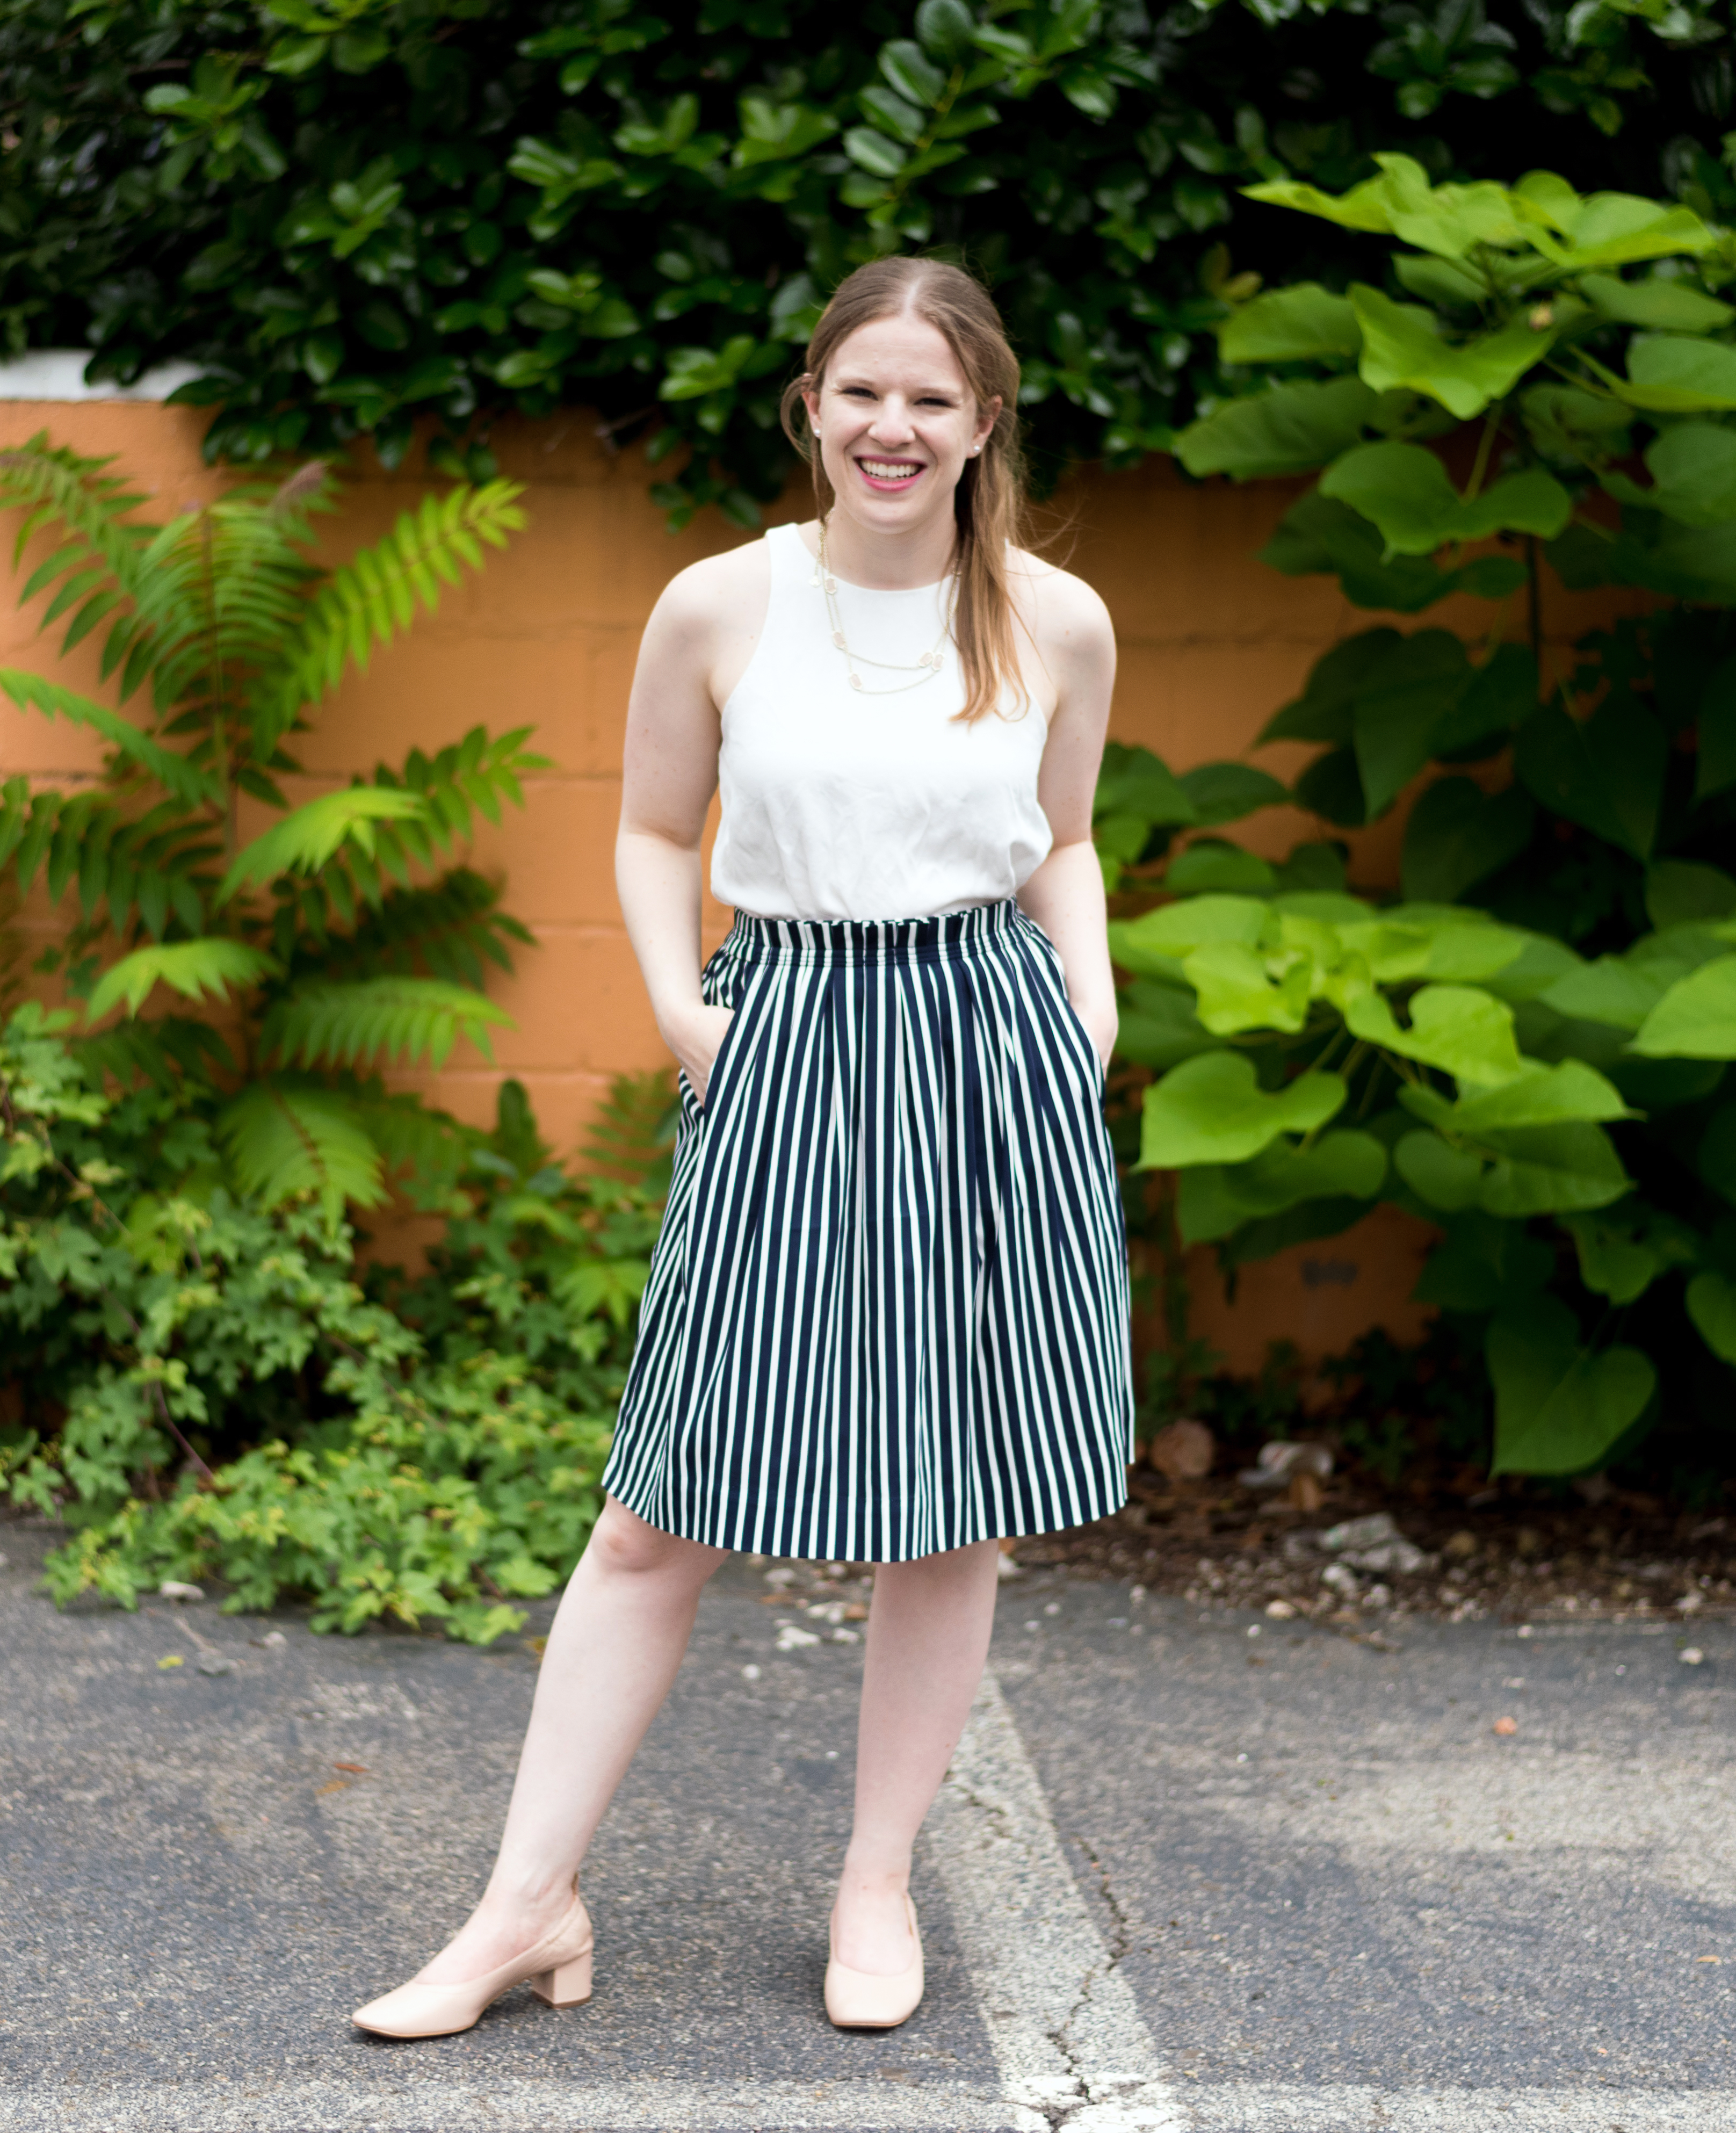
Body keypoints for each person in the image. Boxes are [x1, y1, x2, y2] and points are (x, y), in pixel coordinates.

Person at [352, 255, 1134, 2041]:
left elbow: (1064, 840)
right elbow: (647, 829)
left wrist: (1088, 1011)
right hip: (778, 1034)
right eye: (863, 389)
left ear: (984, 422)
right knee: (653, 1513)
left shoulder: (1054, 620)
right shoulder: (720, 603)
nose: (893, 425)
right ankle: (523, 1908)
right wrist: (680, 1012)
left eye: (932, 398)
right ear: (810, 403)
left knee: (957, 1506)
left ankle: (874, 1885)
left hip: (982, 1045)